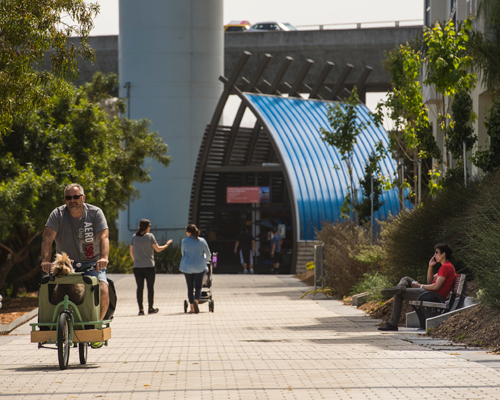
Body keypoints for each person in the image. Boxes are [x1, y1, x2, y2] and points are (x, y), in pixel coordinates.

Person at [41, 183, 109, 348]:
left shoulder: (94, 213)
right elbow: (47, 238)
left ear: (83, 198)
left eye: (76, 197)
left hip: (92, 263)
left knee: (103, 288)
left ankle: (95, 326)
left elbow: (104, 237)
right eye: (68, 197)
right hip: (66, 264)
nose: (72, 200)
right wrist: (45, 260)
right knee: (47, 289)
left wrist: (104, 257)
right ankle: (50, 326)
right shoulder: (58, 214)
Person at [378, 243, 456, 331]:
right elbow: (430, 281)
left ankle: (393, 323)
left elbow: (436, 287)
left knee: (399, 294)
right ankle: (399, 288)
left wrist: (420, 286)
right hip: (430, 293)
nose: (434, 255)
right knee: (406, 279)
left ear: (443, 254)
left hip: (433, 295)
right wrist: (430, 266)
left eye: (436, 252)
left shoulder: (446, 267)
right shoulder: (446, 267)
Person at [130, 219, 172, 316]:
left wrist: (136, 261)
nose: (150, 227)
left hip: (137, 267)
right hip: (149, 266)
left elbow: (131, 252)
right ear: (146, 227)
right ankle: (150, 308)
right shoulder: (150, 236)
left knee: (139, 288)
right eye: (149, 226)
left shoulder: (134, 237)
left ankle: (140, 309)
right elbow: (157, 249)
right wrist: (166, 244)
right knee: (150, 287)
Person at [179, 224, 211, 314]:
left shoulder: (184, 241)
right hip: (199, 267)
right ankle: (196, 301)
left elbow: (183, 253)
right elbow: (208, 254)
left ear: (188, 232)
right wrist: (206, 260)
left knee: (190, 287)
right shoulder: (202, 241)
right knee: (198, 287)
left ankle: (192, 308)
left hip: (187, 267)